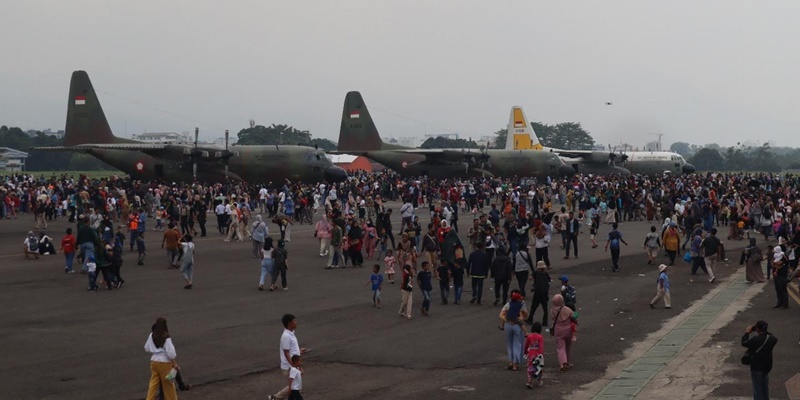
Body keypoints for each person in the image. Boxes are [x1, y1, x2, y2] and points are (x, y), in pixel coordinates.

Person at [268, 314, 307, 400]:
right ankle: (276, 397)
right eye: (294, 321)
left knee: (296, 384)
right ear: (289, 323)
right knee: (295, 386)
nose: (296, 323)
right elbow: (286, 353)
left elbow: (290, 349)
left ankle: (276, 397)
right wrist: (293, 365)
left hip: (294, 363)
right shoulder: (286, 336)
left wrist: (299, 351)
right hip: (289, 365)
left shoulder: (291, 334)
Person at [144, 317, 178, 400]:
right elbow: (170, 352)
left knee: (153, 383)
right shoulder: (166, 336)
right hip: (165, 363)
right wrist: (174, 363)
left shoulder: (151, 335)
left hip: (154, 361)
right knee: (168, 384)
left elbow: (146, 348)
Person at [741, 320, 777, 400]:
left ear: (757, 328)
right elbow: (773, 337)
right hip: (767, 365)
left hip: (756, 366)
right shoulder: (772, 339)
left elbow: (744, 342)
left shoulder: (755, 340)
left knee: (757, 388)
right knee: (764, 386)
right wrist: (763, 331)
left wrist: (747, 333)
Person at [499, 290, 528, 371]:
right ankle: (515, 364)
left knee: (509, 344)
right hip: (517, 325)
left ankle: (511, 362)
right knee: (517, 344)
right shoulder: (521, 305)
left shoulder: (508, 304)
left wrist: (507, 321)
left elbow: (501, 314)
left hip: (508, 325)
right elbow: (526, 315)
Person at [551, 294, 575, 372]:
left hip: (558, 330)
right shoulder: (567, 309)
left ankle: (561, 364)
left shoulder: (552, 310)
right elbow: (574, 317)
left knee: (560, 347)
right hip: (568, 330)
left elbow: (553, 318)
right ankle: (566, 362)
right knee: (568, 347)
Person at [526, 261, 551, 327]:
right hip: (545, 293)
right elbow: (549, 280)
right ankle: (545, 322)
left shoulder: (536, 273)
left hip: (537, 292)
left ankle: (530, 319)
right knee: (545, 308)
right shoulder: (546, 273)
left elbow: (531, 278)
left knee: (533, 306)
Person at [524, 322, 545, 389]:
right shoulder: (540, 337)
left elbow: (526, 345)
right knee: (539, 367)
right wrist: (541, 354)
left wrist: (525, 352)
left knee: (530, 367)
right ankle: (539, 380)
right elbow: (541, 347)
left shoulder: (529, 336)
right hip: (538, 353)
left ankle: (529, 381)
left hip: (531, 353)